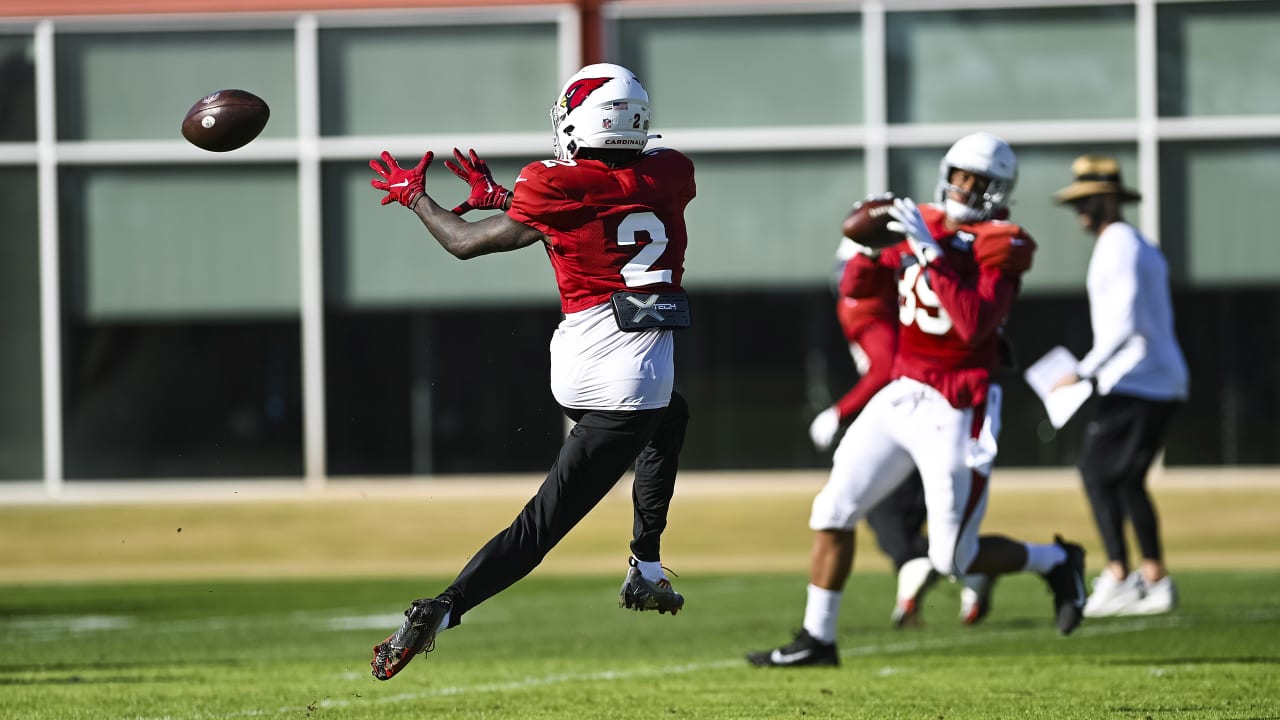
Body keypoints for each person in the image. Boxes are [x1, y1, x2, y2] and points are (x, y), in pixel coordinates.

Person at [366, 63, 695, 681]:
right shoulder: (672, 173)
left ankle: (646, 568)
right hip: (628, 380)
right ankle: (443, 608)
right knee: (540, 526)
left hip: (584, 364)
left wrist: (416, 196)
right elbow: (612, 200)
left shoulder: (552, 184)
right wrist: (509, 201)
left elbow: (464, 241)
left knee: (671, 418)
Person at [748, 132, 1087, 668]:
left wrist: (934, 255)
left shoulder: (1004, 240)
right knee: (832, 510)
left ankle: (1056, 561)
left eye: (980, 180)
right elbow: (860, 290)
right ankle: (818, 639)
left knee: (953, 558)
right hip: (903, 389)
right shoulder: (919, 220)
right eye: (960, 175)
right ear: (946, 173)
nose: (966, 187)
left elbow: (975, 325)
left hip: (958, 403)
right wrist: (865, 248)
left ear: (1000, 190)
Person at [812, 224, 993, 628]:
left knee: (890, 518)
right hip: (917, 414)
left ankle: (939, 576)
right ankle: (964, 575)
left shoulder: (868, 307)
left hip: (909, 417)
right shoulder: (889, 298)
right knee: (916, 521)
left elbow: (885, 369)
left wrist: (839, 411)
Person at [1050, 155, 1188, 618]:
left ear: (1110, 199)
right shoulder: (1136, 245)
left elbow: (1125, 321)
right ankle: (1155, 579)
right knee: (1127, 481)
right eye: (1078, 203)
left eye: (1087, 202)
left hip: (1137, 380)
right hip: (1154, 379)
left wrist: (1085, 371)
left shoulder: (1120, 245)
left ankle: (1117, 575)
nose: (1081, 212)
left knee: (1095, 472)